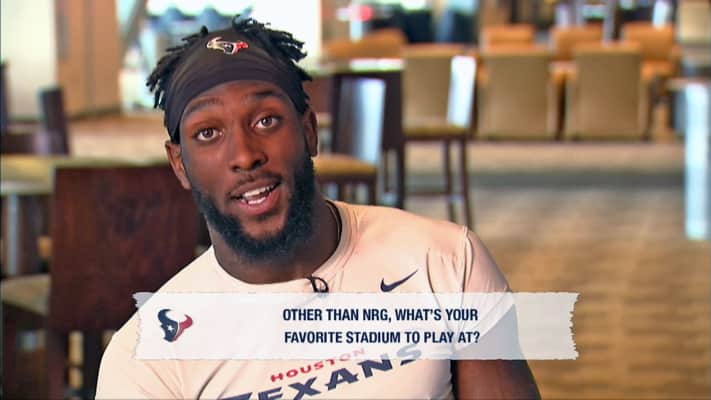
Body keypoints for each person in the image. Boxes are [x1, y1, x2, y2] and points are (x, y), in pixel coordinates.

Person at [96, 16, 540, 399]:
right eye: (208, 133)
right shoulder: (146, 358)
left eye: (266, 120)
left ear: (309, 131)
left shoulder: (445, 262)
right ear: (180, 164)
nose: (245, 155)